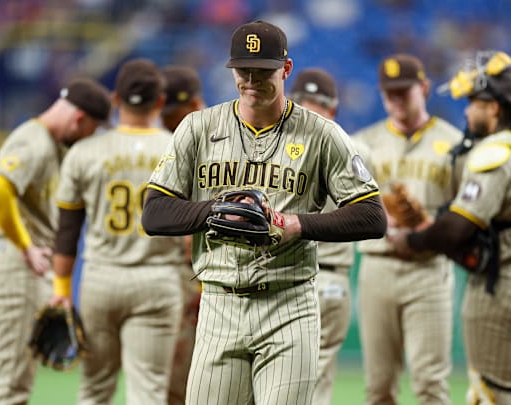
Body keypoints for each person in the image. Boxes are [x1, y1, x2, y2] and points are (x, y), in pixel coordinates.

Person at [142, 20, 386, 405]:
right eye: (244, 71)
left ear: (285, 69)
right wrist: (215, 210)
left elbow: (373, 216)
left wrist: (295, 225)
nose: (252, 80)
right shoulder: (199, 128)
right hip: (219, 303)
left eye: (263, 71)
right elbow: (154, 214)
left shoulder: (322, 134)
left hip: (289, 304)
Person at [390, 51, 511, 405]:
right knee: (509, 394)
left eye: (473, 102)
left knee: (488, 397)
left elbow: (457, 231)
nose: (467, 111)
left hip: (503, 289)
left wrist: (413, 239)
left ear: (494, 107)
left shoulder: (494, 154)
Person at [50, 58, 185, 404]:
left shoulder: (83, 152)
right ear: (159, 101)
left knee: (95, 389)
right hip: (158, 279)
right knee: (150, 389)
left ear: (115, 99)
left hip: (101, 278)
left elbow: (67, 231)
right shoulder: (178, 148)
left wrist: (61, 289)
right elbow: (192, 230)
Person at [0, 78, 110, 405]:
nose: (85, 139)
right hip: (17, 268)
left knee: (17, 386)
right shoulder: (33, 140)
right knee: (10, 389)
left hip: (28, 270)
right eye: (89, 130)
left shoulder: (50, 144)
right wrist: (25, 245)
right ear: (79, 119)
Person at [352, 53, 463, 405]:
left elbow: (467, 215)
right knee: (378, 387)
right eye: (390, 93)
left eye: (405, 91)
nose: (397, 99)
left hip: (428, 269)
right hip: (377, 268)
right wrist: (383, 220)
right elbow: (345, 208)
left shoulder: (455, 145)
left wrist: (430, 224)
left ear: (425, 89)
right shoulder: (362, 144)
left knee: (431, 384)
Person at [289, 67, 374, 405]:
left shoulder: (277, 148)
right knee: (315, 383)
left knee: (292, 382)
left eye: (313, 105)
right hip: (325, 279)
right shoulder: (357, 149)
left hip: (299, 275)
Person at [161, 64, 206, 405]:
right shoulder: (165, 143)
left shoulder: (210, 141)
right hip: (168, 276)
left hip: (196, 280)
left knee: (192, 382)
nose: (162, 117)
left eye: (169, 111)